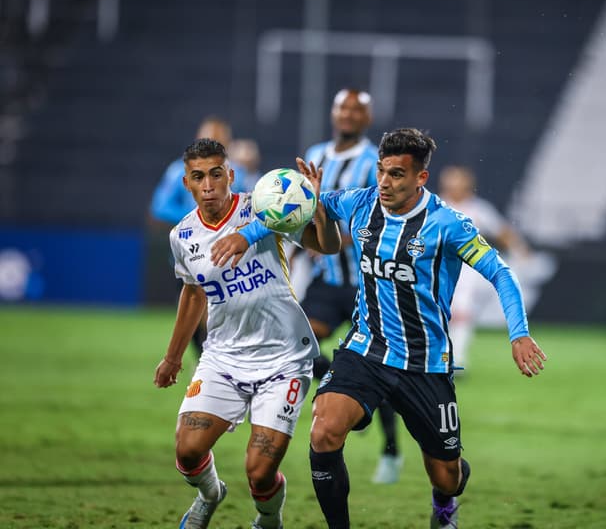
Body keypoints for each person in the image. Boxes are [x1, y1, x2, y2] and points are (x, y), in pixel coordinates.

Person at [210, 128, 548, 529]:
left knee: (448, 477)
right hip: (365, 349)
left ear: (421, 177)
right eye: (382, 171)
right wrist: (245, 235)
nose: (385, 183)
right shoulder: (361, 202)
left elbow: (501, 273)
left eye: (397, 175)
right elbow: (296, 208)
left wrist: (519, 333)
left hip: (425, 363)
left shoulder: (448, 224)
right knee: (323, 431)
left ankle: (445, 503)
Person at [153, 138, 340, 529]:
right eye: (198, 178)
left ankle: (269, 519)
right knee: (187, 452)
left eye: (216, 175)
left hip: (284, 359)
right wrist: (172, 357)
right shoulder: (182, 237)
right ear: (187, 183)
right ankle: (210, 494)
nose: (208, 186)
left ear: (230, 176)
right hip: (223, 357)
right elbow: (193, 293)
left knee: (259, 472)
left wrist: (315, 206)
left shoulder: (263, 207)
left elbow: (327, 245)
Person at [299, 88, 404, 484]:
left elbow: (382, 214)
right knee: (299, 342)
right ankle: (340, 381)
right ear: (333, 112)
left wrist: (336, 236)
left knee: (382, 367)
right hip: (327, 282)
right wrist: (301, 240)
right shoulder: (317, 154)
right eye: (343, 107)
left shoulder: (374, 163)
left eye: (357, 109)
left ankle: (391, 451)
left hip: (370, 285)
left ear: (367, 118)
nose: (348, 114)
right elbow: (305, 210)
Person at [147, 116, 246, 357]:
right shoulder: (177, 172)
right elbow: (159, 208)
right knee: (196, 320)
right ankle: (207, 368)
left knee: (223, 321)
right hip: (193, 257)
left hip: (229, 259)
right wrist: (198, 216)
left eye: (218, 140)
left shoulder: (237, 173)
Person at [438, 165, 531, 372]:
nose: (453, 187)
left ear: (468, 186)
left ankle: (457, 359)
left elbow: (502, 231)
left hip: (467, 268)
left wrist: (518, 249)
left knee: (461, 310)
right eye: (450, 182)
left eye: (458, 183)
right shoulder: (435, 205)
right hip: (435, 266)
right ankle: (437, 357)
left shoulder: (478, 209)